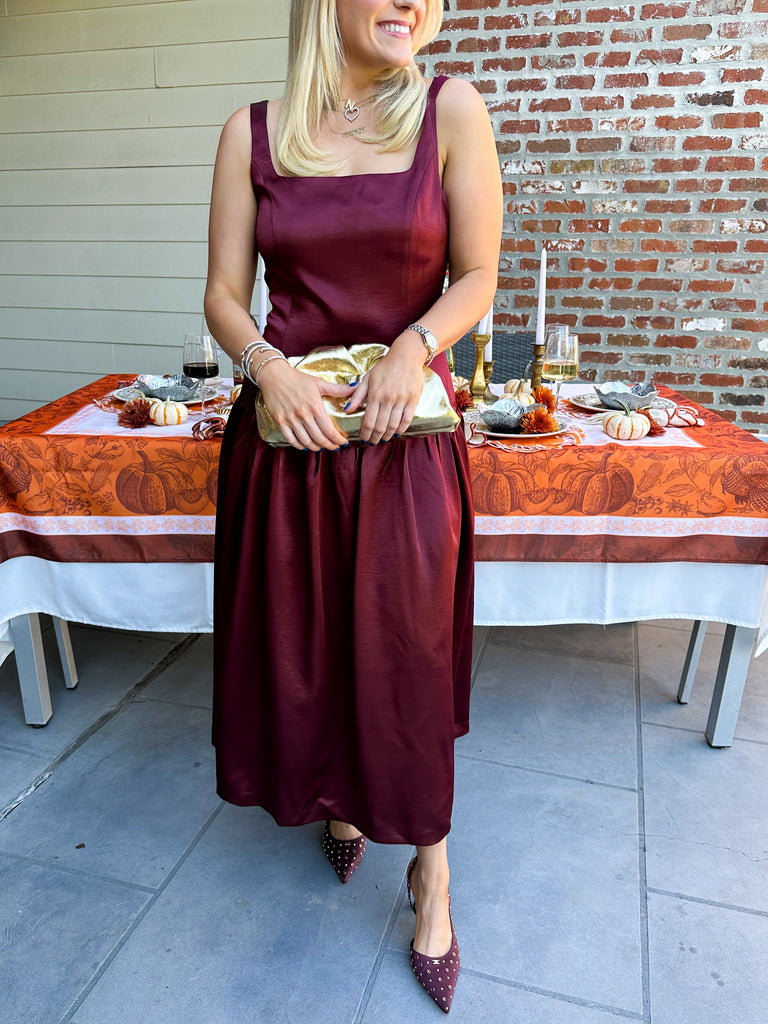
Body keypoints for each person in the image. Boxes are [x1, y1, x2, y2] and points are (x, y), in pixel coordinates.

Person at [204, 0, 502, 1012]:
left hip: (405, 446)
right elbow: (223, 294)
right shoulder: (251, 132)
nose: (410, 1)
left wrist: (415, 346)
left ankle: (432, 872)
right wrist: (266, 367)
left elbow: (477, 274)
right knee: (310, 646)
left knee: (405, 660)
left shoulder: (452, 111)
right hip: (287, 447)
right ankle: (341, 801)